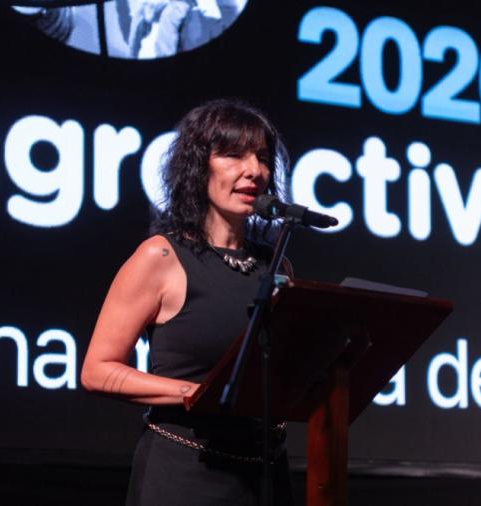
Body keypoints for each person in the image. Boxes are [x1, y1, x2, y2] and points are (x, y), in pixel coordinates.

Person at [81, 99, 294, 506]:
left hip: (265, 474)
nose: (254, 170)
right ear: (198, 166)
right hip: (185, 473)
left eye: (263, 158)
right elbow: (97, 370)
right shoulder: (161, 256)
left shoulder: (276, 265)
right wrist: (197, 393)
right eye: (234, 154)